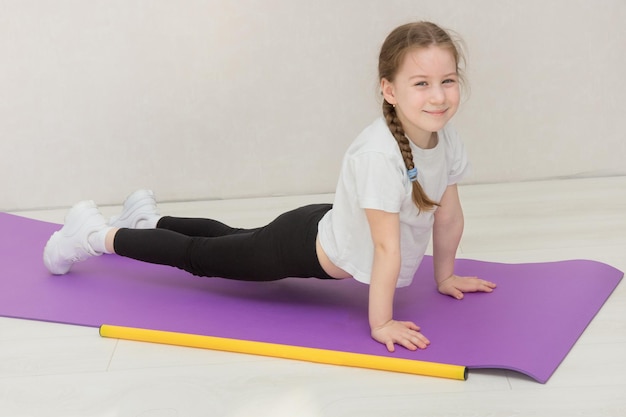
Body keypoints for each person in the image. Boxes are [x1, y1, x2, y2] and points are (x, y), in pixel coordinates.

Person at [43, 21, 496, 353]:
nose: (438, 96)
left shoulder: (442, 136)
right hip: (300, 247)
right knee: (201, 257)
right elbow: (386, 249)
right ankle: (94, 235)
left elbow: (448, 214)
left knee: (229, 237)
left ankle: (147, 219)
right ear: (389, 90)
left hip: (322, 224)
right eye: (421, 83)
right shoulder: (379, 157)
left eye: (447, 81)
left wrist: (445, 274)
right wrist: (382, 323)